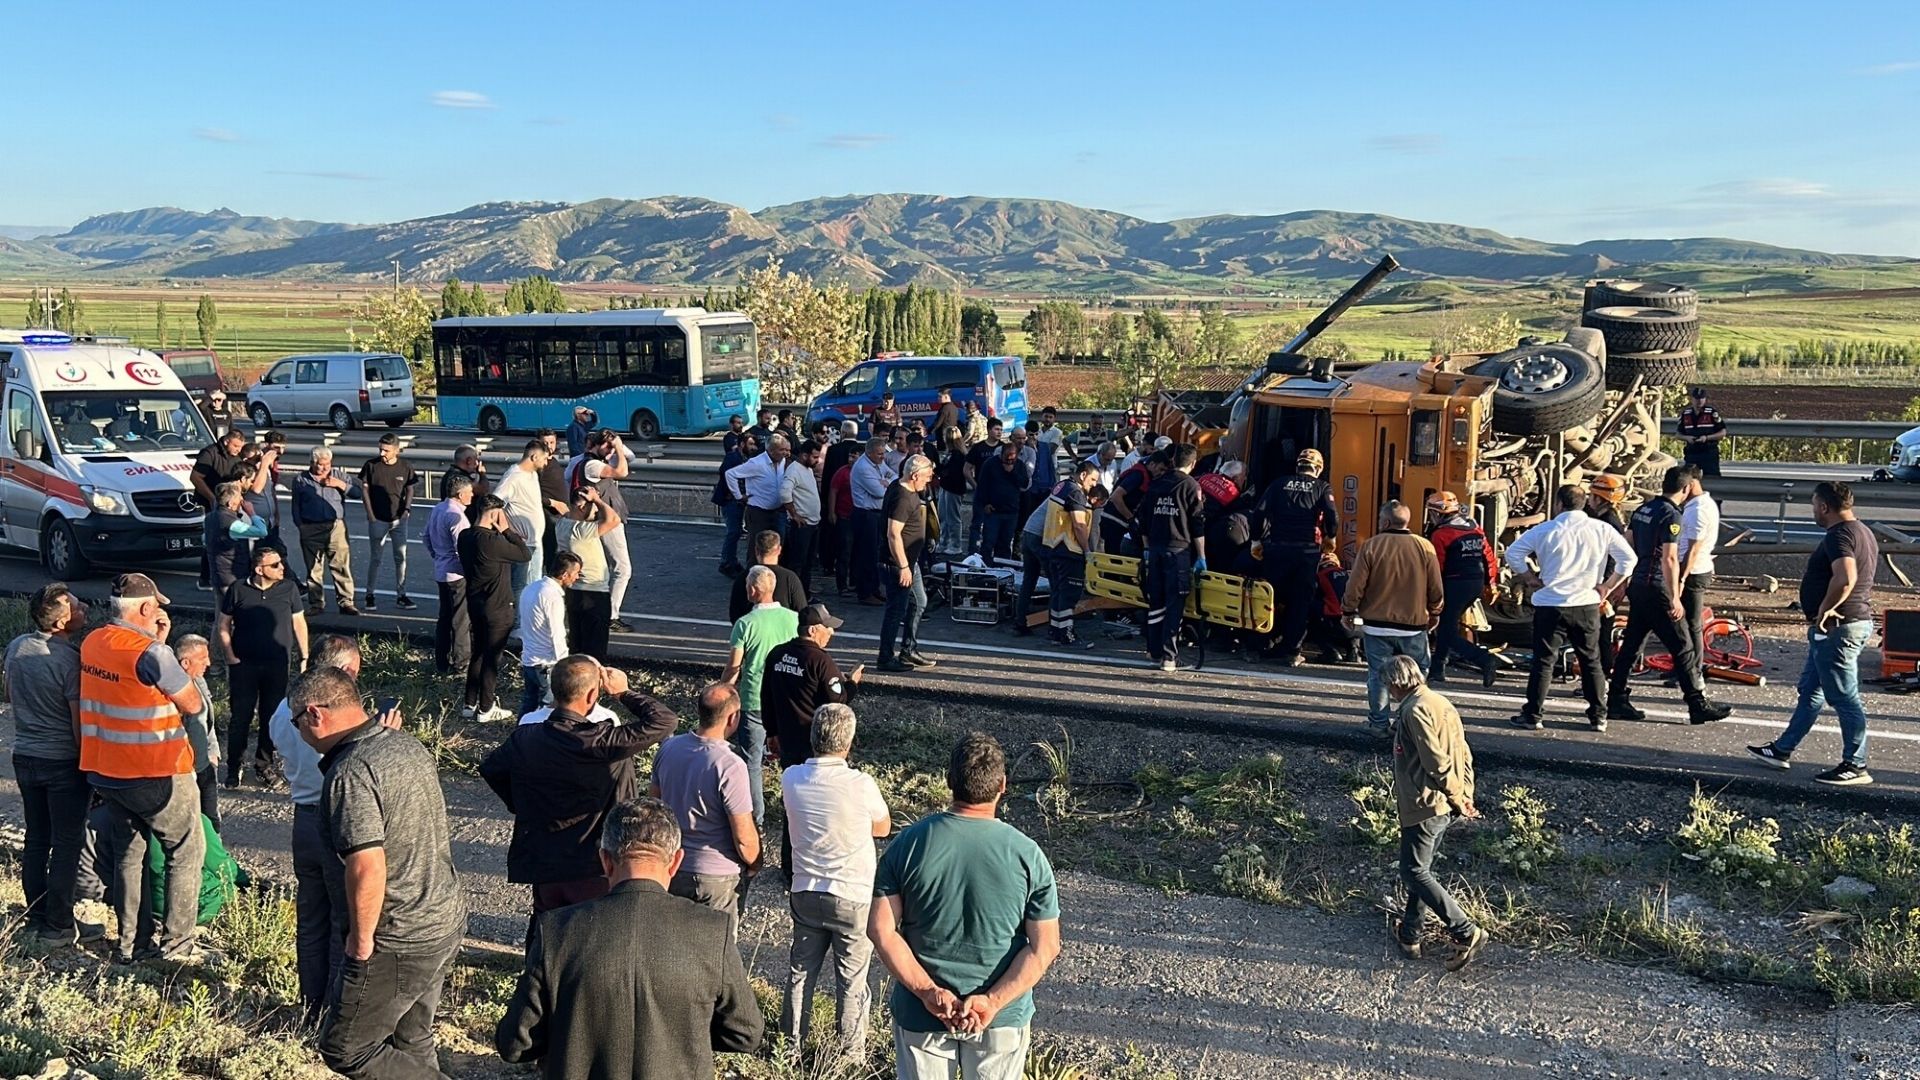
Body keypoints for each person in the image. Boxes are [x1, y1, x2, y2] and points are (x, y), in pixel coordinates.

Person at [494, 798, 764, 1078]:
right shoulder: (711, 931)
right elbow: (745, 1033)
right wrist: (687, 1035)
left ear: (605, 860)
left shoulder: (556, 931)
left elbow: (514, 1044)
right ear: (675, 862)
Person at [290, 666, 465, 1079]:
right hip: (442, 917)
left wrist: (361, 943)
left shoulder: (350, 772)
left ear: (315, 714)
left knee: (346, 1048)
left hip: (396, 936)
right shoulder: (404, 744)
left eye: (296, 721)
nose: (298, 733)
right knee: (411, 1035)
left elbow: (367, 865)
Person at [870, 733, 1060, 1078]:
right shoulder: (1028, 855)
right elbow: (1045, 947)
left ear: (948, 781)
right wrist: (993, 1001)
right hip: (1000, 1020)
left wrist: (928, 992)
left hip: (921, 1015)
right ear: (1003, 785)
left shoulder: (907, 845)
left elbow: (881, 930)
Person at [481, 656, 680, 916]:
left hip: (545, 860)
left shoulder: (525, 738)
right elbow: (664, 721)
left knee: (545, 932)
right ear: (591, 696)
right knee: (589, 935)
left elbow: (491, 769)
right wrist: (624, 693)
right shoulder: (602, 741)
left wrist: (521, 804)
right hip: (592, 862)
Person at [80, 573, 207, 964]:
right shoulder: (152, 654)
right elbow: (192, 704)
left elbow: (127, 685)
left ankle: (130, 944)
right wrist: (159, 645)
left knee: (128, 855)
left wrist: (157, 642)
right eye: (158, 606)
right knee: (186, 852)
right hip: (157, 770)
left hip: (107, 770)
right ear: (147, 608)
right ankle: (176, 948)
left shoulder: (93, 642)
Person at [269, 634, 385, 1019]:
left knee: (311, 916)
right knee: (344, 917)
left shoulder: (282, 712)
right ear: (344, 671)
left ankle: (310, 1001)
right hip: (338, 819)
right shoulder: (339, 718)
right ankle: (337, 1006)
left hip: (302, 816)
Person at [1748, 481, 1880, 785]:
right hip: (1843, 627)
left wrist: (1825, 610)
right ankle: (1782, 749)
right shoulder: (1863, 531)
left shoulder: (1839, 534)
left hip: (1838, 628)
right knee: (1811, 690)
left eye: (1813, 506)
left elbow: (1846, 577)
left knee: (1844, 697)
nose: (1813, 512)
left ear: (1824, 506)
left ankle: (1855, 763)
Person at [781, 704, 891, 1053]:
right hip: (852, 894)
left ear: (814, 738)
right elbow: (883, 826)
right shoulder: (861, 784)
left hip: (805, 889)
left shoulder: (792, 778)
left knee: (801, 972)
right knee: (852, 980)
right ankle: (850, 1054)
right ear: (848, 743)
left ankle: (790, 1046)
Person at [1606, 466, 1733, 727]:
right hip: (1657, 587)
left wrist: (1622, 580)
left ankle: (1616, 699)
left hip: (1638, 586)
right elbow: (1670, 558)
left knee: (1631, 645)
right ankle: (1697, 704)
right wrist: (1675, 596)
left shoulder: (1643, 509)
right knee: (1683, 646)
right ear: (1686, 489)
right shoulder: (1672, 515)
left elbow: (1625, 544)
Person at [1383, 656, 1488, 970]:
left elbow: (1436, 762)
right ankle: (1410, 935)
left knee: (1413, 872)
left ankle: (1465, 930)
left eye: (1387, 683)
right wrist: (1465, 794)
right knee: (1421, 869)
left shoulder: (1414, 711)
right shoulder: (1440, 702)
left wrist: (1457, 797)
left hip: (1426, 803)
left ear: (1396, 683)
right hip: (1446, 801)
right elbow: (1463, 750)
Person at [1505, 486, 1636, 731]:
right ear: (1584, 503)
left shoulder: (1545, 529)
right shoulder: (1601, 529)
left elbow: (1513, 553)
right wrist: (1607, 586)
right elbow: (1629, 560)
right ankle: (1598, 716)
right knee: (1590, 660)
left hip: (1550, 602)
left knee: (1544, 661)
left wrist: (1530, 577)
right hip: (1586, 602)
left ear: (1558, 504)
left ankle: (1534, 714)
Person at [5, 584, 89, 944]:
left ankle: (36, 916)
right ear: (62, 622)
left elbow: (7, 692)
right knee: (68, 843)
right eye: (76, 605)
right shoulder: (69, 660)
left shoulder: (17, 646)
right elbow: (77, 722)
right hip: (62, 761)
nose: (84, 606)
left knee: (36, 839)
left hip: (25, 756)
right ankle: (59, 923)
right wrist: (90, 764)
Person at [651, 683, 762, 926]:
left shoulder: (668, 749)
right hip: (716, 875)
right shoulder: (730, 765)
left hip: (673, 865)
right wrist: (755, 863)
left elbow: (654, 806)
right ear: (733, 718)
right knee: (715, 952)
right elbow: (743, 836)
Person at [1342, 501, 1443, 735]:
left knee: (1378, 676)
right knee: (1416, 675)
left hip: (1377, 626)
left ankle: (1378, 723)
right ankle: (1408, 722)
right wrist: (1435, 611)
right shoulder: (1424, 546)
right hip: (1413, 626)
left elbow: (1355, 585)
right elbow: (1435, 587)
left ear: (1385, 522)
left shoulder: (1371, 546)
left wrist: (1348, 611)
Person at [217, 543, 310, 788]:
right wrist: (229, 655)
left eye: (282, 563)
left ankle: (263, 766)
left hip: (276, 664)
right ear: (259, 569)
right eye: (275, 565)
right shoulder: (238, 590)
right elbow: (223, 624)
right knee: (241, 717)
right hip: (244, 665)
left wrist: (304, 656)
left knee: (272, 718)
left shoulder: (288, 589)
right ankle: (233, 767)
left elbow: (299, 623)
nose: (282, 568)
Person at [721, 566, 800, 826]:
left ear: (753, 590)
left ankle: (756, 818)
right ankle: (794, 811)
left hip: (754, 698)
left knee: (751, 762)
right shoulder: (793, 619)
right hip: (785, 697)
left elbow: (734, 667)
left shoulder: (744, 624)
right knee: (791, 759)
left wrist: (723, 690)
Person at [1261, 448, 1339, 666]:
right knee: (1300, 601)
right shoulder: (1322, 487)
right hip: (1306, 552)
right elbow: (1332, 515)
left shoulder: (1278, 484)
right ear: (1319, 468)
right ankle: (1292, 649)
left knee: (1270, 598)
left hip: (1277, 549)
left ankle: (1263, 643)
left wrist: (1258, 540)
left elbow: (1260, 512)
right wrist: (1331, 536)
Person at [460, 493, 532, 722]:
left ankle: (469, 703)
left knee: (478, 653)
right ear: (494, 515)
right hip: (498, 607)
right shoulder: (492, 542)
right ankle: (486, 707)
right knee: (492, 658)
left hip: (475, 602)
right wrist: (507, 531)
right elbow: (524, 554)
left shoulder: (466, 536)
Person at [1139, 444, 1207, 669]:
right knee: (1174, 603)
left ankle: (1153, 650)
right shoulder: (1191, 486)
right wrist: (1201, 555)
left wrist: (1147, 548)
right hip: (1178, 551)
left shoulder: (1157, 483)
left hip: (1156, 549)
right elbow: (1197, 524)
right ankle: (1170, 657)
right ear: (1193, 463)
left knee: (1155, 601)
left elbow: (1143, 520)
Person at [1424, 492, 1499, 688]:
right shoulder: (1474, 528)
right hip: (1474, 584)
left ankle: (1483, 659)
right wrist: (1491, 584)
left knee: (1446, 631)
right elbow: (1489, 557)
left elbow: (1436, 568)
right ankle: (1437, 669)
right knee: (1447, 626)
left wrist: (1430, 593)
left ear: (1438, 513)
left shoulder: (1441, 534)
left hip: (1455, 584)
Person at [572, 430, 635, 630]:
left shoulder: (580, 462)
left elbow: (630, 457)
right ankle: (611, 615)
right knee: (622, 568)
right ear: (595, 445)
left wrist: (617, 445)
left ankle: (600, 611)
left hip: (596, 519)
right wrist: (617, 446)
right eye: (606, 446)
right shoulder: (593, 465)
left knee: (602, 568)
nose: (610, 451)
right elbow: (622, 472)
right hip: (606, 520)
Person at [880, 454, 938, 673]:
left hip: (908, 561)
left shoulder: (904, 487)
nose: (929, 480)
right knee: (896, 610)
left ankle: (909, 648)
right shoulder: (903, 497)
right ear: (914, 475)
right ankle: (885, 657)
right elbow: (893, 534)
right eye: (926, 476)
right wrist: (903, 566)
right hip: (898, 563)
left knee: (919, 602)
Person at [290, 446, 362, 616]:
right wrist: (300, 525)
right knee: (314, 568)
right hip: (310, 526)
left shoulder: (339, 476)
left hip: (336, 526)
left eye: (327, 464)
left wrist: (341, 485)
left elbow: (358, 493)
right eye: (320, 465)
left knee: (341, 565)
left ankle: (346, 602)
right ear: (312, 463)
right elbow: (295, 505)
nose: (323, 468)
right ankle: (316, 603)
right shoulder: (301, 479)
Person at [358, 432, 421, 611]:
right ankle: (370, 594)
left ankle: (401, 594)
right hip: (378, 519)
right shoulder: (371, 466)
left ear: (396, 450)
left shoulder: (405, 467)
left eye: (386, 450)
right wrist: (370, 514)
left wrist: (407, 509)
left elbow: (410, 488)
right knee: (376, 557)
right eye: (380, 449)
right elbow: (365, 490)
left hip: (399, 519)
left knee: (400, 557)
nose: (382, 454)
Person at [557, 486, 620, 663]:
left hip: (574, 593)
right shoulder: (581, 531)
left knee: (577, 645)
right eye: (592, 506)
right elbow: (613, 519)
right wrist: (598, 500)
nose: (595, 511)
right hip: (593, 594)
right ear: (582, 507)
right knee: (595, 650)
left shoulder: (562, 524)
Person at [1038, 462, 1099, 646]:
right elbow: (1079, 525)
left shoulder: (1061, 486)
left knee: (1057, 593)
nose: (1094, 485)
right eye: (1093, 479)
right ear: (1082, 475)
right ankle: (1066, 633)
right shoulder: (1076, 493)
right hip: (1069, 550)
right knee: (1069, 595)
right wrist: (1087, 550)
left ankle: (1055, 631)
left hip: (1052, 547)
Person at [517, 552, 582, 716]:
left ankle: (520, 736)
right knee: (547, 710)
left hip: (529, 659)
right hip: (546, 663)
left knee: (529, 705)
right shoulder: (552, 597)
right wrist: (565, 664)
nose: (577, 577)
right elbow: (557, 633)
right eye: (576, 573)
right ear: (565, 574)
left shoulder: (531, 588)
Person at [423, 473, 475, 676]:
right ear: (461, 494)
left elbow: (426, 536)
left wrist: (437, 556)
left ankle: (441, 661)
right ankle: (462, 663)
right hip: (456, 574)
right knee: (461, 620)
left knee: (444, 617)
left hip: (441, 571)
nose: (472, 495)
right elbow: (463, 548)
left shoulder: (438, 508)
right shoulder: (458, 516)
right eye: (469, 492)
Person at [171, 635, 222, 830]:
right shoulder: (172, 692)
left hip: (206, 765)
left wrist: (213, 752)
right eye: (203, 659)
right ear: (185, 663)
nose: (208, 663)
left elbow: (207, 721)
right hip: (187, 771)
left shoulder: (199, 681)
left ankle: (214, 855)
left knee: (211, 819)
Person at [1677, 465, 1720, 688]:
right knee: (1684, 623)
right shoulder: (1699, 505)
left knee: (1692, 623)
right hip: (1694, 569)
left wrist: (1681, 578)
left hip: (1694, 572)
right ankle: (1686, 669)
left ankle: (1694, 673)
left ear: (1691, 484)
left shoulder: (1698, 510)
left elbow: (1693, 549)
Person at [191, 429, 248, 589]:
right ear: (226, 441)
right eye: (235, 446)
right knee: (213, 538)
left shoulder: (236, 456)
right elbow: (195, 477)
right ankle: (206, 577)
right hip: (213, 500)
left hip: (230, 501)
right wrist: (212, 498)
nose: (238, 450)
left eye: (240, 447)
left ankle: (218, 575)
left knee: (226, 538)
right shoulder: (210, 453)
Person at [497, 439, 554, 591]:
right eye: (544, 459)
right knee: (522, 587)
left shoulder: (533, 474)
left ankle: (529, 615)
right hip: (523, 544)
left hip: (535, 542)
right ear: (534, 457)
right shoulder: (513, 477)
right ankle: (519, 615)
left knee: (534, 585)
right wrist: (509, 530)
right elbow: (495, 504)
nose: (546, 463)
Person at [850, 436, 897, 605]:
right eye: (879, 454)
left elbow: (894, 476)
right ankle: (865, 592)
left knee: (876, 554)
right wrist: (884, 483)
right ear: (869, 453)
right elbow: (879, 492)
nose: (882, 457)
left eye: (883, 453)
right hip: (865, 514)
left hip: (876, 514)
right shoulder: (863, 467)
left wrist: (887, 481)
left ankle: (874, 588)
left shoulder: (877, 463)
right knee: (867, 554)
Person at [727, 529, 808, 621]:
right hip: (783, 632)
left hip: (753, 631)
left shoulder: (744, 577)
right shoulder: (790, 578)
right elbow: (802, 611)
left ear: (756, 550)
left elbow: (734, 614)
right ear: (779, 550)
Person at [207, 479, 268, 596]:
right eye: (239, 498)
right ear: (230, 503)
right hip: (232, 577)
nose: (242, 500)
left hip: (217, 574)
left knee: (221, 611)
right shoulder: (231, 523)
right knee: (235, 612)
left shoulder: (210, 517)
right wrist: (252, 513)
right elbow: (262, 531)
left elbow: (205, 539)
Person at [781, 440, 824, 596]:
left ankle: (804, 592)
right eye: (814, 457)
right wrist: (795, 515)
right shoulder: (794, 470)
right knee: (798, 562)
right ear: (804, 455)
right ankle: (794, 594)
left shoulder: (807, 469)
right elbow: (785, 493)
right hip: (802, 525)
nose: (817, 460)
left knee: (808, 562)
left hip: (813, 523)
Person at [975, 441, 1030, 561]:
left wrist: (1012, 472)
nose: (1009, 462)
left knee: (1005, 544)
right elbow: (982, 485)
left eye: (1012, 459)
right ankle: (985, 567)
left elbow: (1024, 483)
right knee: (988, 542)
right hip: (993, 511)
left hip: (1011, 511)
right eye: (1007, 459)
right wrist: (985, 504)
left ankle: (1002, 568)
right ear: (1002, 454)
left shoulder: (1019, 465)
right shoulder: (990, 464)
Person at [713, 431, 756, 577]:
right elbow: (727, 476)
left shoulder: (745, 458)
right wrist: (736, 495)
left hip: (738, 501)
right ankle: (726, 562)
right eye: (750, 444)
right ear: (742, 444)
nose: (753, 447)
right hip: (730, 501)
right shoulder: (733, 458)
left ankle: (731, 561)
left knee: (736, 532)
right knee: (733, 532)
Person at [964, 418, 1006, 553]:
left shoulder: (1004, 448)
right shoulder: (978, 447)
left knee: (995, 525)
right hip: (981, 493)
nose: (999, 432)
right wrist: (976, 486)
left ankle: (990, 554)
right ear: (989, 430)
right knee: (977, 524)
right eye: (996, 429)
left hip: (998, 494)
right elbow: (966, 469)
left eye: (1001, 429)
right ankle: (973, 554)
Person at [535, 429, 570, 571]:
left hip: (559, 517)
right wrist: (554, 503)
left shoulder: (553, 461)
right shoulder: (538, 465)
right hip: (547, 517)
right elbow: (530, 493)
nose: (549, 446)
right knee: (550, 559)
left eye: (552, 442)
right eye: (545, 443)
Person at [1677, 386, 1727, 477]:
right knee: (1688, 478)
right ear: (1692, 399)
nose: (1699, 401)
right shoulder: (1686, 414)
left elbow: (1722, 432)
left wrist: (1706, 438)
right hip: (1692, 452)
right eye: (1697, 398)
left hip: (1708, 452)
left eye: (1702, 398)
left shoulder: (1711, 413)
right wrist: (1687, 438)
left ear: (1705, 399)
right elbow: (1678, 434)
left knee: (1713, 477)